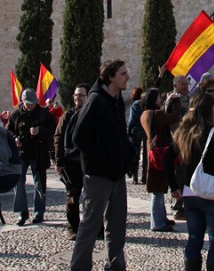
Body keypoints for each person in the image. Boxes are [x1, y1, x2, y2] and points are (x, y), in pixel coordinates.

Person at [70, 59, 135, 271]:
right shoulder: (96, 100)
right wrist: (103, 159)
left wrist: (128, 157)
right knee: (90, 225)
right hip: (98, 176)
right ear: (111, 77)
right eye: (123, 73)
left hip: (117, 175)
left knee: (116, 227)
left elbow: (119, 134)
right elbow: (79, 137)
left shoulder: (116, 100)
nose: (127, 77)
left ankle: (116, 267)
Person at [166, 92, 214, 271]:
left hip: (189, 192)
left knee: (194, 239)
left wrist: (174, 186)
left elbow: (167, 158)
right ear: (210, 109)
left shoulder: (184, 132)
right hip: (212, 193)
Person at [8, 88, 55, 225]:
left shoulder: (45, 114)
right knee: (19, 183)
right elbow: (9, 130)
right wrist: (15, 138)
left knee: (39, 184)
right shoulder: (16, 114)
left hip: (38, 153)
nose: (31, 105)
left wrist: (40, 131)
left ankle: (38, 213)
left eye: (33, 103)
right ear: (22, 102)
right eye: (28, 103)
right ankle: (22, 213)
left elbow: (52, 132)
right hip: (21, 154)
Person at [141, 88, 182, 232]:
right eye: (159, 97)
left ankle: (161, 218)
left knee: (158, 189)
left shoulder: (145, 114)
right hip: (160, 154)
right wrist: (174, 101)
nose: (161, 99)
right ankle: (157, 223)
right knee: (158, 191)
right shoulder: (156, 114)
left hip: (153, 153)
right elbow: (174, 117)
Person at [55, 84, 89, 240]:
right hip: (71, 162)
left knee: (93, 197)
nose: (77, 98)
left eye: (81, 95)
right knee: (72, 197)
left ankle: (95, 227)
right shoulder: (67, 116)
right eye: (76, 95)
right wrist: (59, 160)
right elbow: (58, 138)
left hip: (88, 162)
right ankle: (72, 227)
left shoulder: (92, 115)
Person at [126, 87, 146, 185]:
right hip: (145, 130)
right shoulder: (145, 105)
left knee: (136, 155)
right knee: (146, 155)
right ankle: (144, 177)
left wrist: (128, 132)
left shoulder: (134, 105)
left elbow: (131, 121)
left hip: (136, 131)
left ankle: (135, 177)